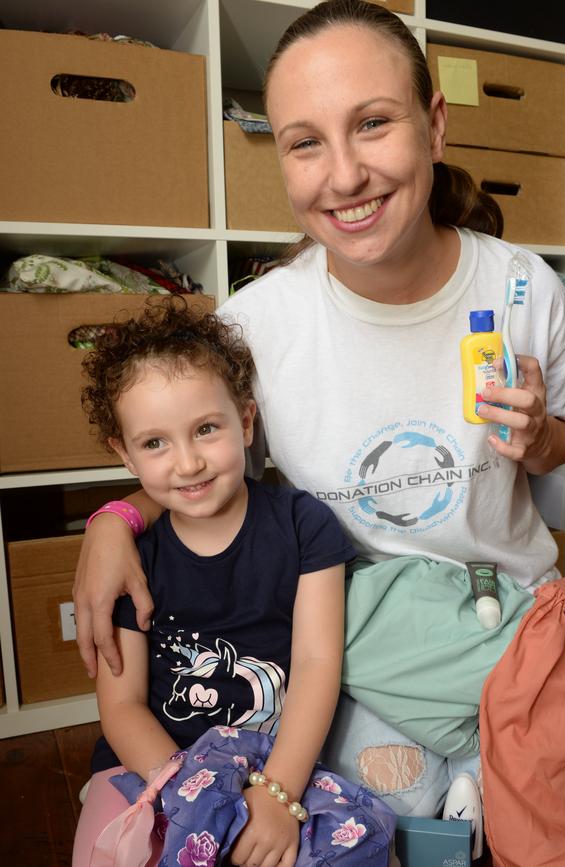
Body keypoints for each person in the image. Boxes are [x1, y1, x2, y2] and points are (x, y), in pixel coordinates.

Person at [73, 0, 565, 825]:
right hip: (350, 638)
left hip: (507, 619)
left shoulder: (526, 291)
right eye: (306, 142)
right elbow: (199, 469)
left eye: (374, 123)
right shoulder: (256, 325)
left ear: (435, 126)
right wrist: (111, 520)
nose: (344, 175)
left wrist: (536, 437)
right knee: (398, 805)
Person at [71, 299, 395, 867]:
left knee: (358, 846)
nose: (188, 462)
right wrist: (188, 794)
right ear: (124, 455)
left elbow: (318, 663)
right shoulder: (132, 557)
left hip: (279, 762)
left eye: (205, 429)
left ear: (245, 422)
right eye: (155, 443)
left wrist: (276, 794)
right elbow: (121, 705)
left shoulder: (303, 525)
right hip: (156, 764)